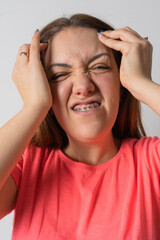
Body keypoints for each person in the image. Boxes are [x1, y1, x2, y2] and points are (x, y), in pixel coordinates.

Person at [0, 13, 159, 240]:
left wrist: (142, 84)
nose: (83, 86)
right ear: (45, 90)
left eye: (100, 67)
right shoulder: (26, 165)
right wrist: (33, 106)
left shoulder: (151, 162)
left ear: (122, 84)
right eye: (61, 74)